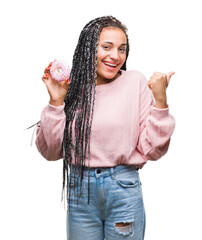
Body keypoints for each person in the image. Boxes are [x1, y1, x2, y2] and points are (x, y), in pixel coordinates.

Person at [36, 16, 175, 240]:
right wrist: (56, 102)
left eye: (122, 49)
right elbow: (51, 152)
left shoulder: (134, 82)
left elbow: (153, 150)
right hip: (80, 192)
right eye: (106, 47)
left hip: (122, 189)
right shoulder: (72, 89)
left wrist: (160, 101)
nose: (115, 56)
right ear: (88, 49)